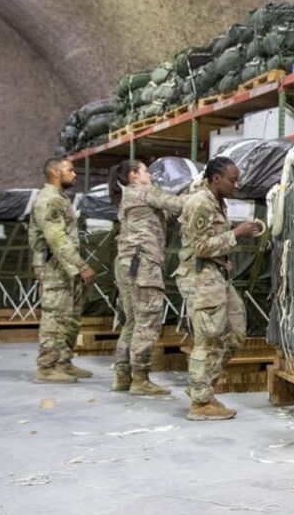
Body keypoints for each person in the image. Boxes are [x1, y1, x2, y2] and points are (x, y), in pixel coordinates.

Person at [175, 156, 262, 421]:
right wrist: (237, 234)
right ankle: (200, 403)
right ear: (216, 179)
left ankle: (200, 386)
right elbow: (200, 246)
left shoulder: (217, 201)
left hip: (216, 275)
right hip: (200, 278)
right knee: (209, 337)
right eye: (232, 180)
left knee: (235, 332)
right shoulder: (200, 203)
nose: (237, 184)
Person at [108, 159, 184, 397]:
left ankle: (123, 376)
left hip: (128, 262)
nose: (150, 176)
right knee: (147, 321)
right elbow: (179, 204)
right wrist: (201, 193)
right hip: (143, 263)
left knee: (132, 321)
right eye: (145, 172)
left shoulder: (130, 197)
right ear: (133, 175)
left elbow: (167, 214)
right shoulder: (143, 192)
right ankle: (140, 379)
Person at [28, 157, 96, 384]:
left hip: (66, 269)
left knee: (70, 317)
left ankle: (63, 362)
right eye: (70, 169)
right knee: (54, 317)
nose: (75, 174)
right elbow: (57, 239)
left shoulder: (60, 199)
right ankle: (47, 368)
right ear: (56, 172)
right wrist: (81, 266)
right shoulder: (48, 200)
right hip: (55, 268)